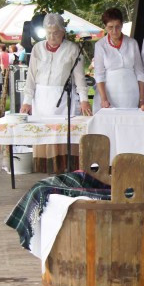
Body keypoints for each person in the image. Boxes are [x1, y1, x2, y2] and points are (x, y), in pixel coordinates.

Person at [21, 13, 92, 173]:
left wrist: (84, 99)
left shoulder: (73, 49)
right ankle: (46, 172)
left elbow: (80, 78)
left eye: (56, 32)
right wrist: (27, 100)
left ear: (63, 32)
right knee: (44, 135)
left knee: (62, 137)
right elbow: (31, 77)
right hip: (41, 100)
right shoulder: (37, 49)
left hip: (63, 99)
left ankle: (64, 172)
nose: (52, 36)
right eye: (49, 32)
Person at [92, 7, 144, 112]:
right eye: (110, 27)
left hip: (130, 94)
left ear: (122, 25)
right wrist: (104, 99)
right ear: (105, 27)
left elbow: (140, 72)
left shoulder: (132, 43)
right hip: (109, 93)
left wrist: (142, 99)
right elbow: (99, 74)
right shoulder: (100, 45)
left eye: (118, 27)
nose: (114, 31)